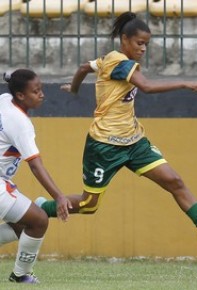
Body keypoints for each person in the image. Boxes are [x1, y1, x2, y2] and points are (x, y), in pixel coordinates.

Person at [36, 12, 197, 229]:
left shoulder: (108, 59)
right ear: (124, 39)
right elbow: (147, 87)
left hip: (134, 141)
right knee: (88, 204)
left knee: (175, 182)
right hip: (105, 144)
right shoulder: (120, 64)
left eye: (146, 44)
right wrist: (185, 84)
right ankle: (37, 210)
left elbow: (85, 67)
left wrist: (73, 89)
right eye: (139, 43)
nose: (143, 48)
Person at [0, 69, 72, 284]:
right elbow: (35, 165)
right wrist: (59, 196)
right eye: (36, 91)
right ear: (20, 95)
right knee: (38, 220)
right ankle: (21, 275)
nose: (42, 94)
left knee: (22, 225)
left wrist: (10, 76)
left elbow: (9, 80)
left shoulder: (5, 99)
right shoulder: (21, 124)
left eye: (41, 89)